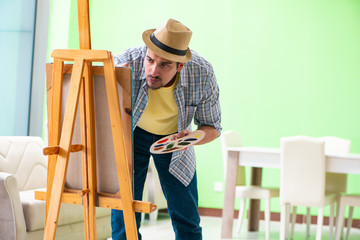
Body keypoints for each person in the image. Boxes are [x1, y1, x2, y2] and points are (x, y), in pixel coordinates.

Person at [111, 18, 222, 240]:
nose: (153, 70)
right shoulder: (126, 63)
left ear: (180, 66)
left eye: (164, 65)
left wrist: (190, 138)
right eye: (150, 60)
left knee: (187, 218)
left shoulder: (202, 73)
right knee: (124, 214)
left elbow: (213, 127)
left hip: (175, 140)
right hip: (131, 135)